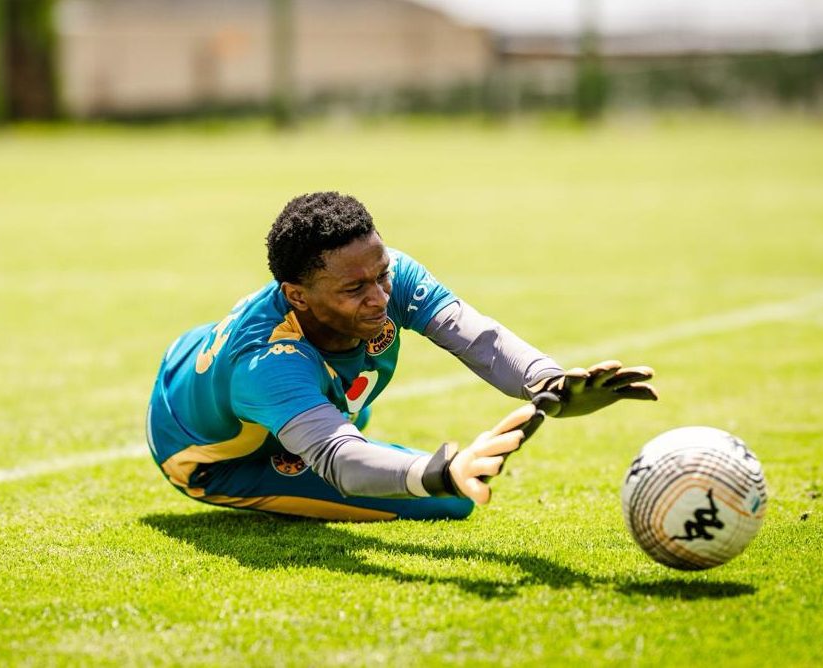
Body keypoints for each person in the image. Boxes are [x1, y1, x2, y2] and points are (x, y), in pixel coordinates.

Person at [146, 192, 657, 521]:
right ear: (297, 295)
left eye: (382, 273)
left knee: (345, 403)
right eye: (355, 288)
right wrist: (439, 472)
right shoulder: (267, 364)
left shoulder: (386, 275)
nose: (380, 296)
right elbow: (336, 459)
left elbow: (475, 337)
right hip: (211, 456)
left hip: (238, 378)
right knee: (449, 498)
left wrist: (548, 383)